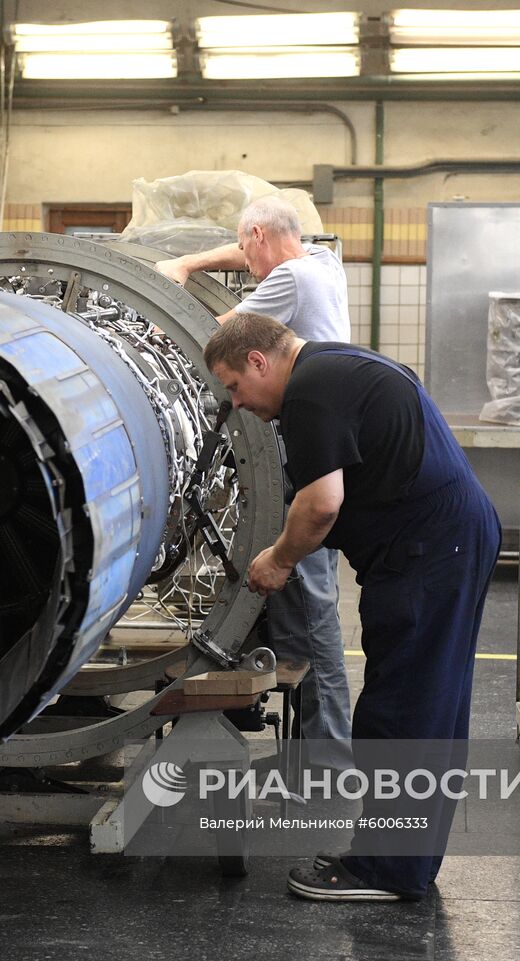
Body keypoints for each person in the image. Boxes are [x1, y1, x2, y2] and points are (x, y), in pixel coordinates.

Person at [203, 313, 501, 903]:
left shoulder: (312, 391)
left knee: (403, 710)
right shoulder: (337, 363)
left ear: (259, 361)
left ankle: (389, 871)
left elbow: (321, 505)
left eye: (234, 387)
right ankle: (404, 861)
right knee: (427, 704)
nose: (236, 404)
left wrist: (280, 559)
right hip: (443, 538)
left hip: (430, 550)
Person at [155, 197, 353, 756]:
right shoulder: (320, 262)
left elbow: (212, 337)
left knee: (310, 614)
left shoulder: (288, 280)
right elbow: (249, 254)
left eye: (246, 247)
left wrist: (152, 314)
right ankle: (312, 752)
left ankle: (327, 760)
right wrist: (191, 263)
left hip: (303, 459)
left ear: (261, 236)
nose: (244, 262)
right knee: (303, 605)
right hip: (322, 452)